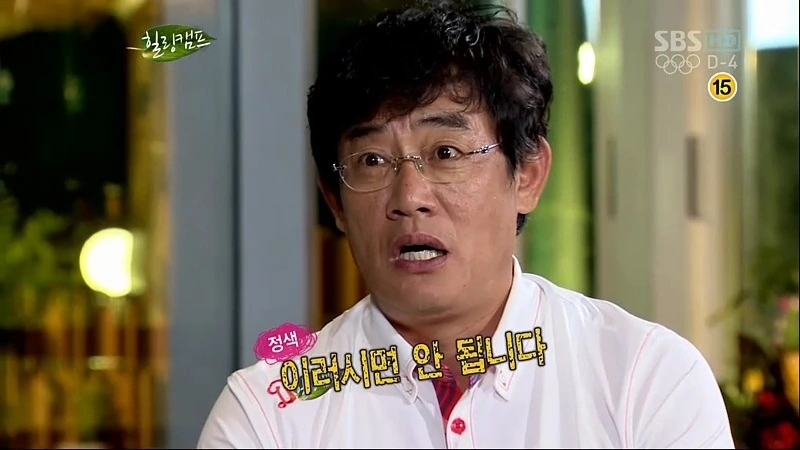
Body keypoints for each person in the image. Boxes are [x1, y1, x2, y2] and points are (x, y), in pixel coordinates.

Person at [197, 1, 734, 448]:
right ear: (334, 201)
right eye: (373, 161)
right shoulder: (266, 415)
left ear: (527, 174)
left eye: (446, 152)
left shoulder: (645, 379)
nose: (410, 198)